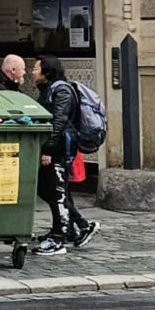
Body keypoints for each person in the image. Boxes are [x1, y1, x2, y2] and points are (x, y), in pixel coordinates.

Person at [31, 55, 99, 254]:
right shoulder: (50, 89)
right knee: (50, 190)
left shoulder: (61, 90)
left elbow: (58, 122)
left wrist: (48, 150)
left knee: (56, 192)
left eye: (36, 68)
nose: (33, 71)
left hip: (60, 148)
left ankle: (59, 238)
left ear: (47, 70)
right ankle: (77, 227)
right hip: (56, 147)